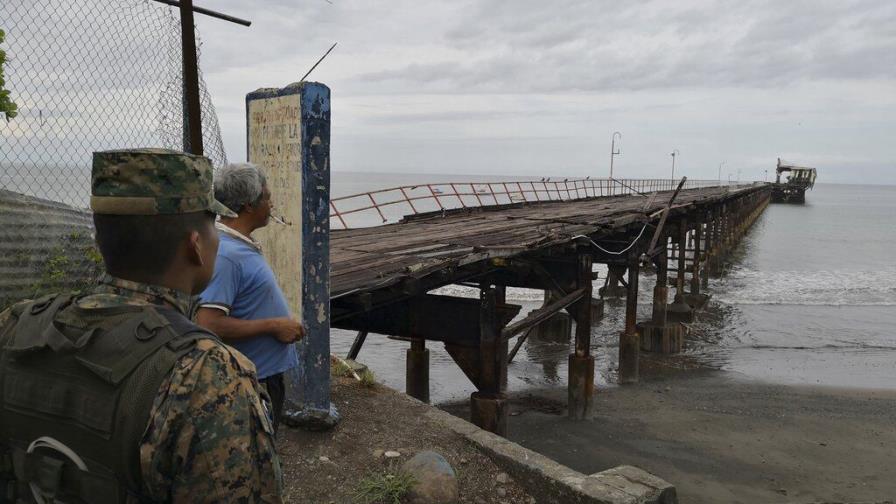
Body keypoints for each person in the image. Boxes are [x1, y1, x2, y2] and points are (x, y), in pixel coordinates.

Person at [0, 149, 283, 503]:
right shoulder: (206, 374)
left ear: (100, 239)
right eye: (213, 224)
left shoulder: (17, 325)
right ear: (195, 246)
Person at [196, 163, 303, 432]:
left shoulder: (236, 246)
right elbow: (208, 325)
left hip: (262, 376)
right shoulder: (228, 256)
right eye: (266, 197)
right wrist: (275, 326)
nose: (271, 203)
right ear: (248, 205)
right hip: (249, 382)